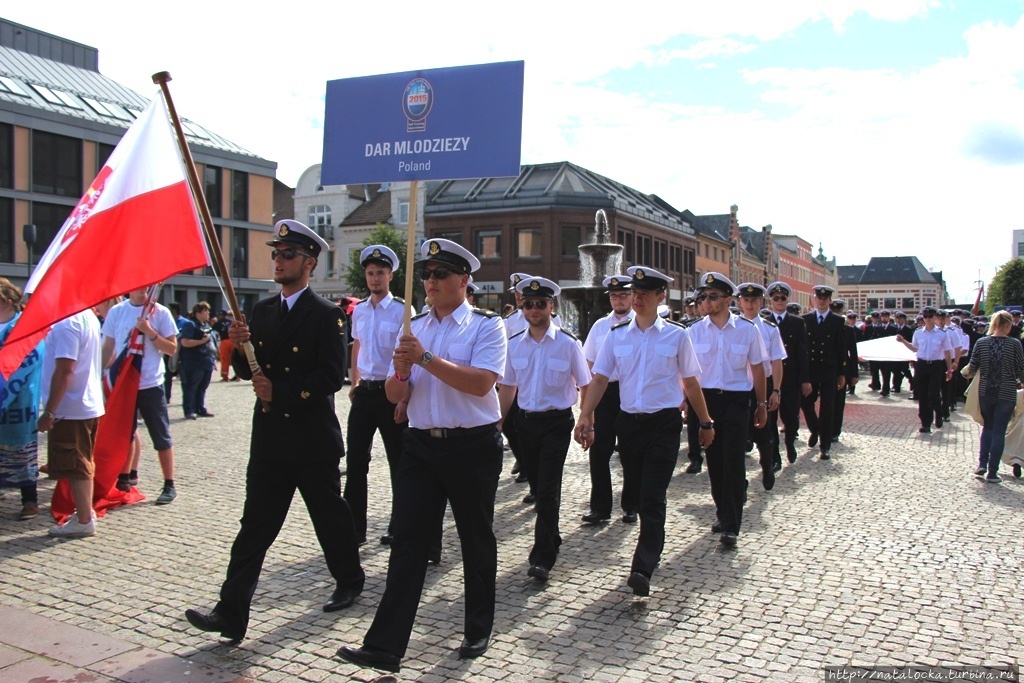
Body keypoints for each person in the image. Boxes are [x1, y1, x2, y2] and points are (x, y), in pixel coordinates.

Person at [185, 220, 365, 642]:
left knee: (329, 517)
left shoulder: (328, 315)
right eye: (276, 254)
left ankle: (350, 578)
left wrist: (280, 390)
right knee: (255, 527)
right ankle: (230, 612)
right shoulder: (263, 311)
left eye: (288, 255)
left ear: (309, 263)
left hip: (310, 438)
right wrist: (244, 346)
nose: (279, 261)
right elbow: (256, 371)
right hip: (270, 439)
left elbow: (327, 377)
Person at [338, 238, 506, 673]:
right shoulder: (414, 325)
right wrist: (402, 371)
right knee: (408, 544)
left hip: (471, 445)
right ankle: (385, 646)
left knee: (475, 537)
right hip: (420, 444)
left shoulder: (487, 326)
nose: (430, 282)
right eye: (426, 275)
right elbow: (398, 393)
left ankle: (477, 625)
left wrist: (425, 358)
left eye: (440, 274)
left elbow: (481, 384)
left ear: (464, 280)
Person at [575, 265, 715, 596]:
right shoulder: (616, 334)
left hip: (663, 424)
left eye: (643, 294)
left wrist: (705, 421)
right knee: (636, 491)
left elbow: (691, 383)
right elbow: (599, 378)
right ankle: (640, 544)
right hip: (629, 425)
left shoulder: (677, 335)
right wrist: (585, 415)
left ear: (659, 296)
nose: (636, 299)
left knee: (653, 498)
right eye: (633, 293)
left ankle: (643, 566)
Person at [499, 276, 590, 582]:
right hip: (525, 423)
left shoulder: (568, 343)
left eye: (541, 304)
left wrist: (585, 419)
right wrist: (497, 422)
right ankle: (552, 535)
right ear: (522, 306)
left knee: (548, 489)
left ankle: (542, 558)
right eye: (528, 304)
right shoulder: (513, 345)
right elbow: (508, 387)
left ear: (552, 306)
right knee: (537, 488)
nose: (534, 310)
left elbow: (586, 384)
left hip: (556, 423)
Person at [684, 272, 767, 547]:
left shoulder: (747, 329)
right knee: (715, 461)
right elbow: (686, 373)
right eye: (703, 297)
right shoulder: (694, 331)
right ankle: (722, 511)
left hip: (736, 401)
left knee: (733, 461)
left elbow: (757, 368)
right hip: (705, 402)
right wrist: (684, 401)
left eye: (712, 296)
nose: (706, 301)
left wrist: (762, 404)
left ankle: (732, 524)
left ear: (728, 300)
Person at [345, 244, 407, 546]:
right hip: (364, 393)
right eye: (370, 273)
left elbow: (406, 357)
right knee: (356, 462)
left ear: (390, 276)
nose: (374, 278)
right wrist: (353, 381)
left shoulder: (402, 310)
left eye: (380, 273)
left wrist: (404, 398)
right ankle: (353, 529)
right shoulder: (359, 311)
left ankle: (399, 525)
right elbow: (357, 346)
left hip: (389, 393)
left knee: (399, 462)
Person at [102, 289, 179, 503]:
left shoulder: (160, 312)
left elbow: (172, 349)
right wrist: (97, 373)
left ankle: (169, 484)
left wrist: (150, 332)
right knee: (124, 434)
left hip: (150, 384)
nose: (142, 288)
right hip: (124, 382)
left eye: (147, 284)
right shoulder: (117, 312)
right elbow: (108, 347)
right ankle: (124, 478)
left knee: (160, 435)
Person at [39, 309, 104, 538]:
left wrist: (49, 411)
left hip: (72, 406)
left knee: (77, 465)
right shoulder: (86, 315)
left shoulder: (67, 323)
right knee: (84, 461)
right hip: (86, 401)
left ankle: (84, 519)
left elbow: (66, 369)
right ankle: (85, 514)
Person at [579, 275, 635, 524]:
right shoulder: (600, 326)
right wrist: (586, 406)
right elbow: (588, 364)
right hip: (605, 393)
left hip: (631, 392)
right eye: (614, 296)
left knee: (630, 452)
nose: (618, 300)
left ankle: (631, 505)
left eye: (623, 295)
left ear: (633, 296)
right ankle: (600, 508)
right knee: (599, 451)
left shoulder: (641, 324)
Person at [0, 279, 45, 520]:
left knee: (21, 449)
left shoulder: (23, 328)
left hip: (19, 399)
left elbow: (28, 360)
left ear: (6, 301)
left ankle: (30, 500)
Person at [964, 311, 1024, 483]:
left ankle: (982, 463)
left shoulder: (982, 342)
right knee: (999, 431)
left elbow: (972, 367)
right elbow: (1021, 369)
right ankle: (992, 471)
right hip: (1006, 391)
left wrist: (959, 373)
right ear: (1007, 325)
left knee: (988, 428)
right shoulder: (1014, 344)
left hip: (986, 391)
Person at [736, 283, 786, 490]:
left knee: (764, 434)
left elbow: (777, 361)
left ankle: (767, 465)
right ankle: (740, 483)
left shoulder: (769, 329)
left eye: (754, 300)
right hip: (738, 387)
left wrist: (776, 390)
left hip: (761, 385)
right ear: (739, 302)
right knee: (737, 437)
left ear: (760, 303)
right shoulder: (731, 328)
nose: (749, 304)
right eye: (746, 300)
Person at [765, 282, 811, 466]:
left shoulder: (797, 322)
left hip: (791, 377)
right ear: (771, 300)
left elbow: (803, 352)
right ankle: (775, 455)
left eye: (782, 298)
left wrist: (805, 379)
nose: (779, 301)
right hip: (770, 377)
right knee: (770, 419)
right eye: (776, 298)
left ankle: (790, 443)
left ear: (787, 300)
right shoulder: (764, 321)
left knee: (791, 416)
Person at [800, 285, 847, 460]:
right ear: (814, 299)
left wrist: (842, 373)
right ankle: (815, 429)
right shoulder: (805, 319)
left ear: (829, 301)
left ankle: (825, 446)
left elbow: (840, 348)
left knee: (827, 408)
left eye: (824, 298)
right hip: (811, 370)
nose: (821, 301)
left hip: (829, 370)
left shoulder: (837, 321)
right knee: (805, 403)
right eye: (818, 298)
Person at [896, 307, 953, 433]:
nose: (927, 319)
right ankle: (925, 422)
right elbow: (914, 348)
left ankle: (938, 413)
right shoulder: (918, 332)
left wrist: (949, 370)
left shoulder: (942, 334)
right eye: (925, 316)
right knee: (922, 394)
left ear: (935, 318)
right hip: (921, 365)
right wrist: (903, 341)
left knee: (933, 394)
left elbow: (947, 352)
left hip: (936, 365)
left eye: (930, 316)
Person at [502, 272, 532, 485]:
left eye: (522, 292)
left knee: (527, 427)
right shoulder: (510, 321)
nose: (519, 297)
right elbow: (502, 349)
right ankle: (522, 458)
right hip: (514, 379)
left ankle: (528, 468)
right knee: (508, 424)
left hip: (534, 380)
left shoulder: (553, 318)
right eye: (516, 293)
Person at [178, 301, 217, 420]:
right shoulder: (190, 325)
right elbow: (184, 342)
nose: (208, 313)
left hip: (207, 361)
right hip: (193, 362)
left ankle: (200, 408)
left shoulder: (206, 326)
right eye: (206, 311)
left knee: (202, 387)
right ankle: (189, 410)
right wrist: (201, 342)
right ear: (198, 312)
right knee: (191, 387)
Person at [829, 299, 858, 444]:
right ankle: (825, 429)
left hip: (843, 368)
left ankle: (835, 431)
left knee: (839, 402)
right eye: (833, 311)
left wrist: (854, 374)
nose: (835, 314)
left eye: (838, 311)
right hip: (827, 368)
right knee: (827, 402)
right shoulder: (825, 326)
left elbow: (853, 352)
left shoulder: (848, 330)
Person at [213, 310, 236, 381]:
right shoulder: (231, 322)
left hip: (224, 341)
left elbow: (213, 331)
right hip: (233, 341)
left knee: (224, 359)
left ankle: (225, 376)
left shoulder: (218, 323)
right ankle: (238, 375)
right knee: (235, 358)